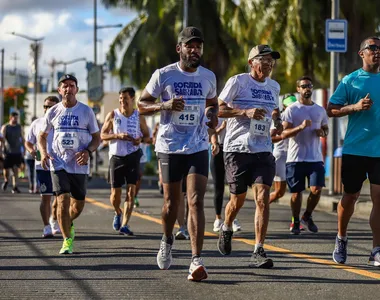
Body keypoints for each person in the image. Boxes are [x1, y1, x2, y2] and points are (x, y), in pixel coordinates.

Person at [138, 26, 218, 281]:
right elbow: (141, 105)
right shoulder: (164, 75)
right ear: (179, 48)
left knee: (195, 201)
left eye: (198, 46)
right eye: (189, 46)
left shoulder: (208, 77)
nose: (194, 50)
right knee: (172, 204)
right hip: (170, 146)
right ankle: (167, 239)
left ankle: (196, 260)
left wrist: (212, 117)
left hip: (197, 145)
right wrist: (165, 104)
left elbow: (212, 104)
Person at [217, 44, 282, 269]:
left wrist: (278, 120)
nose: (269, 63)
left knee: (263, 198)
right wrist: (244, 112)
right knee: (237, 200)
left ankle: (258, 250)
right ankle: (226, 226)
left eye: (271, 60)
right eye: (264, 59)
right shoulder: (238, 82)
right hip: (237, 149)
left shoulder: (274, 86)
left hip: (263, 149)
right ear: (251, 62)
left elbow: (274, 109)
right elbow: (219, 109)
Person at [327, 36, 380, 266]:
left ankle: (376, 249)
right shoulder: (351, 81)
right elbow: (331, 109)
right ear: (362, 53)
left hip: (379, 151)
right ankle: (341, 237)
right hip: (356, 149)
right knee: (351, 197)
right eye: (373, 48)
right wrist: (355, 107)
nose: (377, 51)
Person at [38, 74, 101, 254]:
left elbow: (96, 138)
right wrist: (43, 153)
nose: (68, 89)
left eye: (72, 85)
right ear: (59, 90)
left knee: (78, 205)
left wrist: (88, 152)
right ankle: (67, 240)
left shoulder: (86, 111)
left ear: (77, 89)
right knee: (62, 200)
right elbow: (42, 136)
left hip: (79, 164)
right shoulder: (53, 111)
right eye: (64, 86)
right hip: (58, 162)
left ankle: (68, 222)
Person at [281, 77, 329, 235]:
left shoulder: (320, 110)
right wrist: (300, 127)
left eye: (309, 86)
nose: (307, 89)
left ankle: (307, 216)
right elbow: (284, 133)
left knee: (316, 189)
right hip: (295, 158)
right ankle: (295, 220)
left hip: (315, 158)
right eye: (304, 86)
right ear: (298, 89)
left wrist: (323, 132)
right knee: (296, 193)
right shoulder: (292, 110)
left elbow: (325, 128)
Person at [101, 87, 150, 236]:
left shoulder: (139, 116)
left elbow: (148, 137)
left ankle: (125, 224)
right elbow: (103, 135)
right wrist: (117, 136)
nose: (122, 102)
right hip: (116, 157)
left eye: (125, 99)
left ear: (132, 99)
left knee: (131, 192)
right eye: (121, 99)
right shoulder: (113, 115)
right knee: (115, 195)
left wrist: (139, 140)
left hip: (133, 156)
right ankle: (117, 211)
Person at [25, 96, 61, 238]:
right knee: (45, 197)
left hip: (59, 165)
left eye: (51, 107)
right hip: (43, 166)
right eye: (46, 106)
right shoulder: (37, 123)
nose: (47, 109)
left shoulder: (61, 124)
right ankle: (46, 226)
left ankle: (54, 219)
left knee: (59, 197)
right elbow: (28, 142)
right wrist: (32, 151)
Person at [210, 120, 242, 233]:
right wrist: (221, 127)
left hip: (232, 151)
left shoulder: (235, 115)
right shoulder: (215, 115)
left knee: (233, 187)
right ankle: (218, 218)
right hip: (218, 149)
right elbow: (209, 134)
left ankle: (233, 219)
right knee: (219, 187)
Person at [269, 94, 297, 205]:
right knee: (279, 191)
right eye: (289, 105)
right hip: (280, 155)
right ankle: (261, 206)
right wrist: (283, 136)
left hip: (292, 156)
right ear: (284, 106)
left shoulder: (297, 117)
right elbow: (271, 138)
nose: (292, 108)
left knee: (282, 192)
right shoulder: (281, 117)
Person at [1, 111, 24, 193]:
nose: (16, 119)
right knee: (6, 170)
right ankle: (6, 180)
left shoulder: (19, 127)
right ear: (10, 118)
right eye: (15, 118)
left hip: (17, 152)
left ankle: (15, 186)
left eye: (17, 118)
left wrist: (23, 150)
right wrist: (1, 150)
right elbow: (2, 139)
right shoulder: (5, 127)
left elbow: (23, 139)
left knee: (16, 169)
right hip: (7, 152)